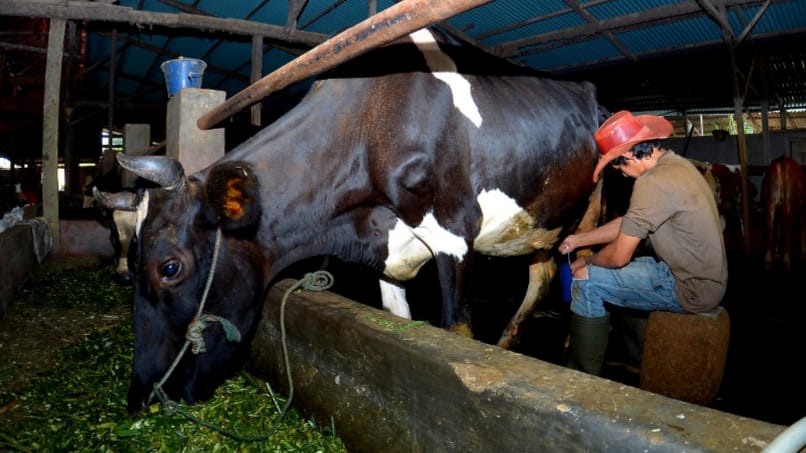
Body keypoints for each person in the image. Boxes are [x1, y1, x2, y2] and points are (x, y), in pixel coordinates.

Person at [558, 110, 728, 376]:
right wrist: (579, 240)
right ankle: (633, 355)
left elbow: (618, 257)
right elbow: (631, 222)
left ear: (627, 156)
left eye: (620, 167)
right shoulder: (676, 166)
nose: (624, 176)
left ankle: (581, 376)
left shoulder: (651, 183)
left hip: (689, 288)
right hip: (698, 276)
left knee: (586, 279)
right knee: (632, 267)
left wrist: (586, 259)